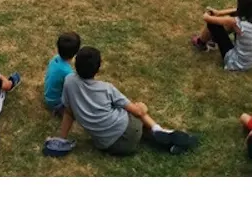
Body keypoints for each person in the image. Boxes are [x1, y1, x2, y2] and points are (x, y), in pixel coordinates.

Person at [56, 46, 188, 155]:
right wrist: (143, 107)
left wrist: (62, 139)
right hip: (129, 131)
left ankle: (163, 138)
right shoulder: (106, 89)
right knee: (133, 111)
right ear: (98, 69)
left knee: (125, 117)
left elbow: (68, 113)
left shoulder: (68, 82)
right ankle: (158, 130)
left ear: (75, 63)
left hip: (108, 146)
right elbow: (137, 112)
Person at [190, 0, 252, 71]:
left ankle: (201, 43)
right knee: (229, 21)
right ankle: (210, 40)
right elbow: (235, 11)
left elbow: (207, 18)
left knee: (213, 24)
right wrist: (219, 12)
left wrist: (209, 13)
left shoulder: (236, 22)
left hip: (236, 63)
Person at [43, 32, 80, 116]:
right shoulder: (68, 72)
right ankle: (58, 110)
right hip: (56, 102)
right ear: (76, 52)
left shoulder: (55, 58)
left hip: (48, 96)